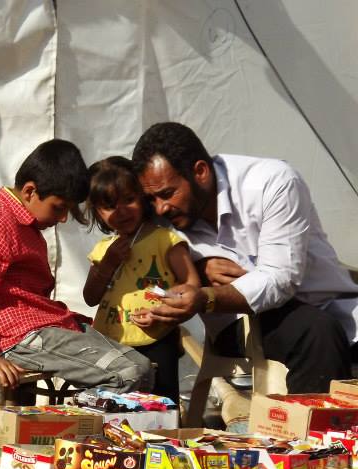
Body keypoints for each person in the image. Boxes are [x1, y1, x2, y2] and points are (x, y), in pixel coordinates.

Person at [131, 121, 358, 393]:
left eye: (167, 194)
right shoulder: (157, 216)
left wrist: (207, 296)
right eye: (152, 199)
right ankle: (313, 435)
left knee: (323, 327)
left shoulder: (271, 183)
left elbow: (280, 279)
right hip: (237, 322)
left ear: (200, 172)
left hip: (327, 304)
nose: (161, 207)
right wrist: (195, 272)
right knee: (316, 332)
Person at [0, 140, 152, 391]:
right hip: (20, 336)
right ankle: (75, 424)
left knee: (143, 367)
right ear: (29, 191)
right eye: (59, 208)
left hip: (45, 327)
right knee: (128, 372)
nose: (62, 218)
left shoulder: (24, 227)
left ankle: (83, 421)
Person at [82, 157, 200, 402]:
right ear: (97, 212)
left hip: (156, 339)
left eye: (129, 200)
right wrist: (108, 264)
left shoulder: (164, 240)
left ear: (143, 198)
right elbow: (90, 297)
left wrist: (162, 308)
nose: (122, 211)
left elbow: (192, 285)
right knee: (115, 410)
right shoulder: (103, 249)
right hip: (111, 344)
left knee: (160, 408)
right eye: (109, 205)